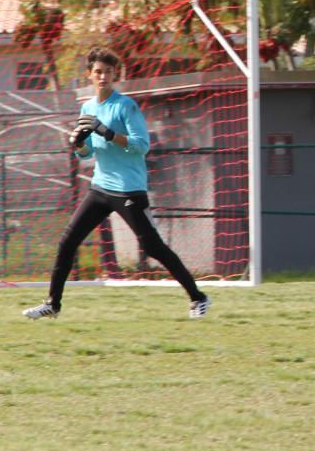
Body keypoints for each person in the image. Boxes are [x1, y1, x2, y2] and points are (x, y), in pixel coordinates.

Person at [23, 46, 211, 320]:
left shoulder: (126, 106)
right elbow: (87, 153)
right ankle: (53, 304)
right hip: (100, 188)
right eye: (98, 72)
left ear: (115, 75)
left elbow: (142, 146)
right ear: (89, 75)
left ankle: (198, 298)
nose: (103, 77)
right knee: (67, 242)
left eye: (108, 72)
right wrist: (77, 144)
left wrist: (108, 132)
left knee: (152, 247)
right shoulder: (87, 107)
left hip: (128, 188)